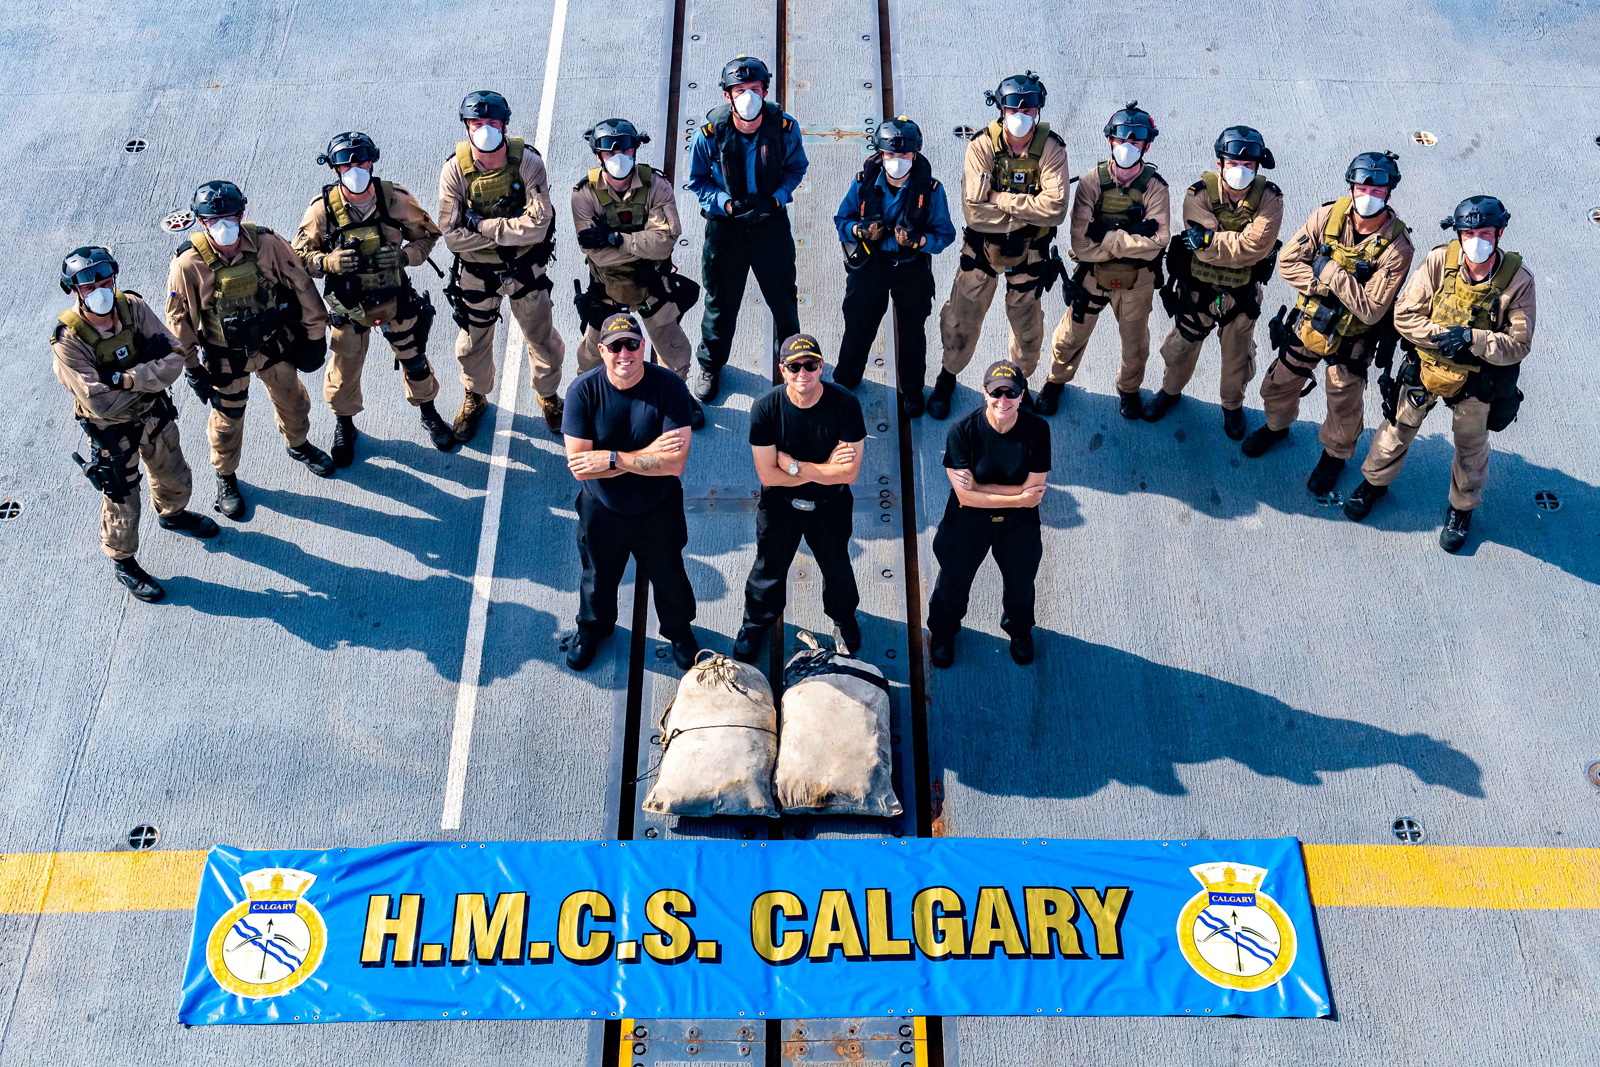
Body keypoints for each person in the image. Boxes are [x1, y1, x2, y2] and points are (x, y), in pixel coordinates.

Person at [1345, 196, 1534, 553]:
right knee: (1398, 427)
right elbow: (1405, 314)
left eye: (1485, 233)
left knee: (1470, 449)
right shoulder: (1438, 262)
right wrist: (1441, 338)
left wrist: (1474, 339)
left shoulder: (1517, 281)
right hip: (1428, 366)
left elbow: (1518, 344)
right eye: (1469, 233)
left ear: (1500, 233)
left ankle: (1461, 509)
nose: (1477, 240)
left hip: (1477, 379)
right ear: (1458, 234)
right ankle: (1374, 483)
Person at [1244, 151, 1415, 496]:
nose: (1368, 196)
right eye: (1361, 187)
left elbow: (1370, 310)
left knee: (1343, 401)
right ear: (1351, 187)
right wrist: (1331, 285)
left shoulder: (1397, 246)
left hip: (1354, 338)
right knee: (1280, 380)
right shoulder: (1327, 217)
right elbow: (1289, 263)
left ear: (1389, 193)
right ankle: (1277, 427)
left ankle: (1335, 456)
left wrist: (1330, 270)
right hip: (1309, 324)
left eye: (1377, 191)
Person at [53, 247, 218, 601]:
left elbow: (175, 358)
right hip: (112, 432)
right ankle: (124, 562)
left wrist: (127, 379)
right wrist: (150, 377)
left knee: (172, 470)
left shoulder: (132, 307)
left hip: (154, 414)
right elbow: (98, 400)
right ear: (74, 290)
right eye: (88, 285)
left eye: (106, 280)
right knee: (121, 498)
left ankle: (174, 514)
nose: (99, 290)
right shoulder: (69, 339)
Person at [166, 180, 334, 520]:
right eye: (213, 219)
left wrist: (316, 335)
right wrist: (192, 367)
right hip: (225, 356)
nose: (223, 225)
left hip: (274, 345)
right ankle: (225, 476)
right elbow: (179, 319)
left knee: (294, 401)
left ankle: (298, 444)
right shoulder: (187, 264)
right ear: (201, 221)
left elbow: (301, 285)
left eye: (231, 216)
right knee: (227, 423)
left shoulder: (268, 244)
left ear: (242, 213)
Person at [293, 131, 452, 466]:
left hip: (395, 299)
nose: (355, 167)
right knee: (343, 371)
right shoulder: (322, 211)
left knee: (415, 360)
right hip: (348, 308)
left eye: (361, 159)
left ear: (373, 160)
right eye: (345, 162)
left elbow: (427, 236)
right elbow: (300, 257)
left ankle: (428, 412)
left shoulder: (395, 199)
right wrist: (328, 262)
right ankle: (345, 425)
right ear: (334, 168)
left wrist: (404, 257)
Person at [562, 314, 700, 671]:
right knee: (597, 578)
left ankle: (679, 631)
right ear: (602, 351)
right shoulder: (582, 391)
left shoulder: (669, 388)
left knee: (669, 575)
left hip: (659, 510)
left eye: (633, 344)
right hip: (602, 510)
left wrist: (610, 458)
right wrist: (645, 455)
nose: (625, 353)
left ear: (644, 347)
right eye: (616, 346)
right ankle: (593, 629)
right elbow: (579, 464)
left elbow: (675, 463)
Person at [929, 72, 1069, 419]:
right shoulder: (980, 146)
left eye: (1029, 108)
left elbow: (1056, 210)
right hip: (982, 250)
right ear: (1000, 109)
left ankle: (1017, 382)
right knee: (962, 319)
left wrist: (1000, 198)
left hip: (1031, 252)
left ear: (1038, 110)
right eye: (1013, 108)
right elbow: (975, 213)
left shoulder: (1051, 148)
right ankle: (948, 375)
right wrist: (1028, 206)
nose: (1021, 115)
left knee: (1026, 326)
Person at [439, 90, 566, 439]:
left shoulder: (528, 163)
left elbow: (539, 226)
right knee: (472, 343)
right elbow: (451, 236)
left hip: (527, 270)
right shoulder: (454, 172)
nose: (484, 130)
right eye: (476, 123)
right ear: (467, 127)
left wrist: (481, 225)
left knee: (542, 338)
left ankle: (548, 396)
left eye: (491, 123)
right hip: (477, 275)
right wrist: (512, 233)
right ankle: (475, 396)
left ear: (505, 125)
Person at [735, 334, 866, 663]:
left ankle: (843, 617)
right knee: (768, 569)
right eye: (794, 366)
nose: (802, 373)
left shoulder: (846, 404)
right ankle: (755, 623)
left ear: (821, 366)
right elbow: (767, 476)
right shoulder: (765, 409)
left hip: (831, 507)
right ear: (783, 370)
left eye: (810, 365)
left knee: (837, 568)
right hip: (779, 508)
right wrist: (825, 469)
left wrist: (794, 465)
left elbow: (849, 474)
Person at [686, 55, 808, 405]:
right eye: (740, 90)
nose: (748, 96)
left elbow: (796, 169)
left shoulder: (784, 128)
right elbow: (697, 180)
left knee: (784, 299)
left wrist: (776, 200)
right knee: (720, 302)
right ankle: (710, 364)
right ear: (728, 96)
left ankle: (794, 363)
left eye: (754, 89)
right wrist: (724, 203)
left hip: (770, 223)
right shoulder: (708, 134)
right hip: (727, 228)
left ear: (765, 91)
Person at [1150, 126, 1284, 438]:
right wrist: (1233, 244)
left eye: (1248, 165)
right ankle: (1169, 392)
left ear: (1257, 166)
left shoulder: (1270, 199)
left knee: (1237, 357)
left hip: (1241, 294)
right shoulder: (1198, 195)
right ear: (1220, 163)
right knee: (1181, 348)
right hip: (1198, 290)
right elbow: (1207, 252)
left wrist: (1215, 241)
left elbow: (1255, 248)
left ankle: (1232, 406)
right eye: (1233, 163)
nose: (1240, 171)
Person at [570, 117, 704, 429]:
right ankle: (587, 400)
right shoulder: (584, 194)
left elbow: (665, 242)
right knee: (592, 354)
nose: (618, 157)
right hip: (607, 289)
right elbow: (595, 252)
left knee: (675, 350)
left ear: (635, 150)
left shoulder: (657, 186)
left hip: (652, 287)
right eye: (609, 151)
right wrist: (639, 243)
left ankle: (676, 395)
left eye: (626, 149)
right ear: (597, 155)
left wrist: (616, 237)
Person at [1038, 101, 1169, 419]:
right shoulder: (1090, 183)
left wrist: (1107, 236)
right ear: (1110, 140)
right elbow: (1081, 245)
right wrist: (1132, 238)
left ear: (1146, 145)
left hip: (1138, 281)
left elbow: (1157, 243)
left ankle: (1129, 389)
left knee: (1135, 346)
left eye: (1135, 141)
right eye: (1121, 140)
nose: (1127, 147)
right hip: (1092, 276)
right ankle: (1056, 381)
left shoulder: (1155, 188)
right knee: (1069, 337)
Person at [927, 361, 1050, 667]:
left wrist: (981, 488)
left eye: (1011, 393)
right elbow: (965, 498)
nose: (1003, 401)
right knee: (953, 582)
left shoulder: (1037, 431)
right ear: (984, 393)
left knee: (1021, 584)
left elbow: (1033, 494)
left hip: (1017, 525)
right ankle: (943, 634)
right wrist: (1016, 496)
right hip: (968, 523)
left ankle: (1020, 632)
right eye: (997, 392)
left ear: (1022, 396)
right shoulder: (962, 432)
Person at [832, 116, 955, 416]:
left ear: (915, 154)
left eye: (903, 154)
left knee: (913, 333)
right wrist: (859, 231)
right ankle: (845, 380)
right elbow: (841, 221)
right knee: (858, 325)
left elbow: (945, 235)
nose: (897, 160)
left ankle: (912, 391)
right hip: (871, 266)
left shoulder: (932, 191)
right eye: (890, 154)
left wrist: (919, 241)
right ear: (880, 154)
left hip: (910, 267)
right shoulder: (863, 184)